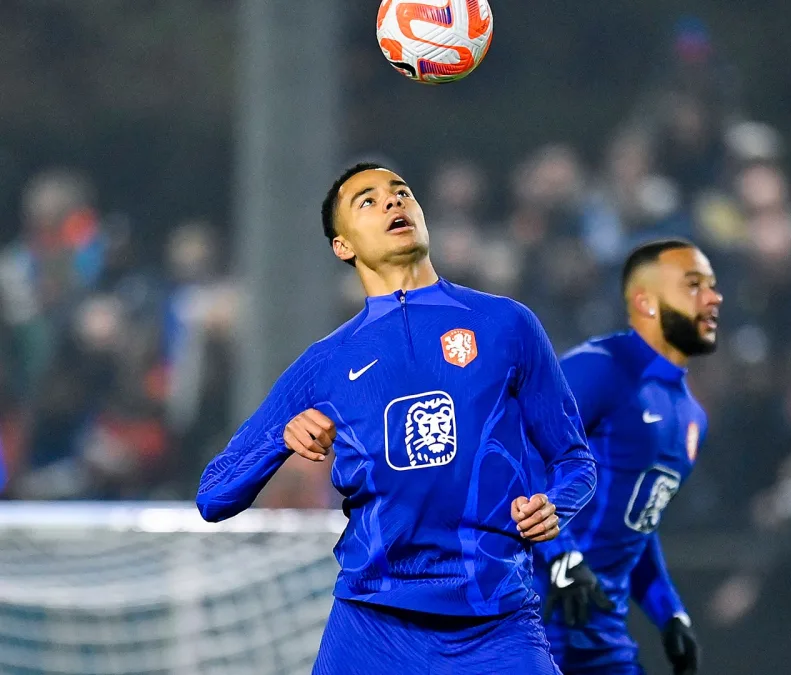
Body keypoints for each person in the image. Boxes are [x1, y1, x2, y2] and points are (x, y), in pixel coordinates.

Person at [196, 162, 598, 674]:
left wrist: (555, 506)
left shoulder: (507, 325)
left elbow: (574, 459)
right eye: (367, 200)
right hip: (372, 623)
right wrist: (282, 434)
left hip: (495, 620)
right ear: (343, 246)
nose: (392, 202)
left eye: (402, 192)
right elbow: (214, 495)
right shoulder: (327, 362)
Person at [536, 238, 722, 675]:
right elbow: (519, 455)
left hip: (601, 632)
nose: (713, 298)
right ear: (647, 302)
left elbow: (636, 525)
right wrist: (560, 553)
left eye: (712, 286)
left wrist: (670, 613)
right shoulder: (599, 367)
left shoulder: (692, 416)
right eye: (693, 285)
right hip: (528, 617)